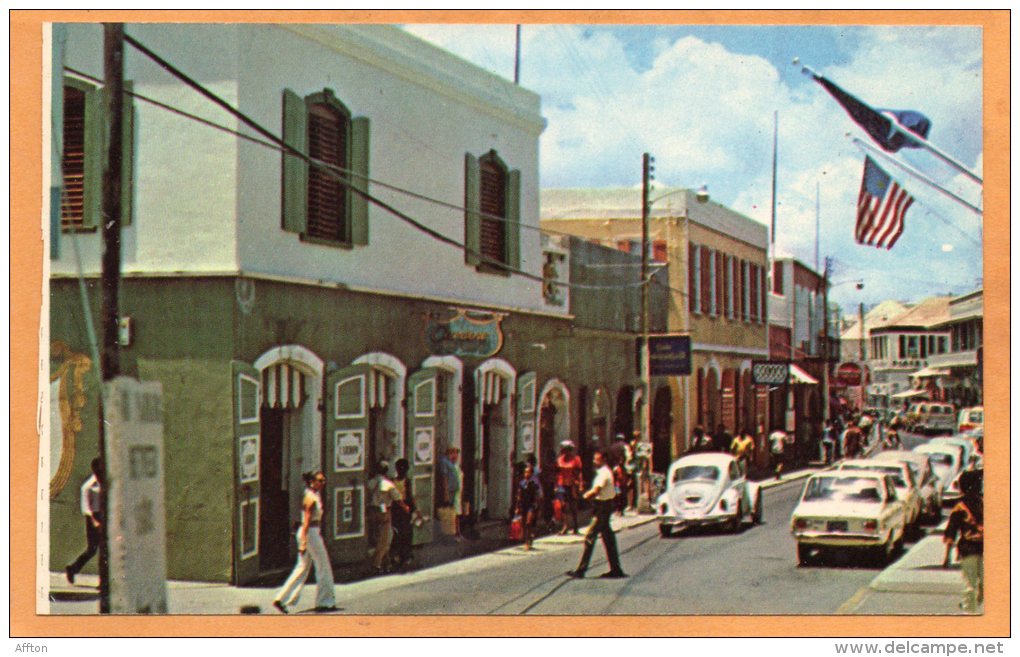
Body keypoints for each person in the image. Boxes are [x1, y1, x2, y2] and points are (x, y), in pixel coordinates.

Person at [273, 471, 336, 613]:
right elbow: (306, 520)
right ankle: (325, 601)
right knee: (323, 566)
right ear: (312, 481)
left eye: (324, 480)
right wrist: (303, 542)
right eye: (320, 480)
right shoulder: (310, 497)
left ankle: (281, 598)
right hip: (310, 533)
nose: (322, 483)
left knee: (302, 566)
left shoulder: (314, 494)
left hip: (311, 532)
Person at [565, 450, 626, 579]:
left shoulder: (604, 473)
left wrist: (584, 496)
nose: (594, 461)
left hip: (602, 508)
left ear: (603, 459)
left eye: (596, 459)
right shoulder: (604, 472)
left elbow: (596, 490)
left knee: (590, 536)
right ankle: (616, 569)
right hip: (604, 506)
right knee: (608, 538)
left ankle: (581, 570)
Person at [943, 469, 983, 613]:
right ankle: (969, 611)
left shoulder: (962, 506)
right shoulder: (978, 504)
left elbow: (950, 532)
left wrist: (947, 557)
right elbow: (951, 531)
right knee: (975, 585)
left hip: (974, 549)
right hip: (974, 549)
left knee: (976, 585)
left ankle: (969, 605)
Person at [65, 458, 103, 585]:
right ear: (95, 470)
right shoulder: (88, 486)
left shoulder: (104, 483)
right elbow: (86, 508)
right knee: (92, 549)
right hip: (93, 519)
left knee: (104, 550)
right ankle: (72, 569)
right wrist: (95, 521)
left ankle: (104, 582)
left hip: (103, 517)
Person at [367, 460, 408, 575]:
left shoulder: (371, 482)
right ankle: (377, 564)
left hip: (372, 511)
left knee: (378, 537)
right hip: (384, 511)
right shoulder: (387, 483)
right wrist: (405, 507)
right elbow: (397, 498)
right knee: (385, 540)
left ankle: (387, 563)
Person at [390, 458, 421, 572]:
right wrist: (416, 508)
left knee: (398, 532)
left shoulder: (393, 481)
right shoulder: (406, 481)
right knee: (407, 532)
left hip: (396, 508)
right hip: (405, 507)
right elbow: (410, 496)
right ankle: (406, 554)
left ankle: (398, 554)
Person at [555, 441, 583, 535]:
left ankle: (575, 526)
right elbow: (557, 472)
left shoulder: (576, 460)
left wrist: (580, 484)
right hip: (562, 484)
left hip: (572, 485)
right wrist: (556, 485)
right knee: (563, 505)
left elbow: (579, 473)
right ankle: (565, 526)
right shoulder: (560, 460)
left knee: (573, 506)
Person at [438, 447, 466, 541]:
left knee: (457, 512)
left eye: (457, 453)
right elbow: (444, 478)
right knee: (452, 513)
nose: (455, 456)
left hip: (456, 491)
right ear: (449, 453)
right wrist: (445, 492)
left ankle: (457, 532)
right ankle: (452, 534)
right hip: (450, 491)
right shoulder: (445, 462)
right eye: (453, 453)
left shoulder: (454, 464)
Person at [514, 462, 543, 550]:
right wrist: (517, 507)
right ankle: (527, 537)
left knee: (528, 522)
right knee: (523, 523)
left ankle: (528, 540)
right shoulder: (521, 483)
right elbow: (519, 496)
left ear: (531, 473)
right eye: (525, 472)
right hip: (523, 504)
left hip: (531, 504)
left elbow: (538, 496)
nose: (526, 474)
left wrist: (538, 506)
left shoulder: (534, 484)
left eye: (528, 472)